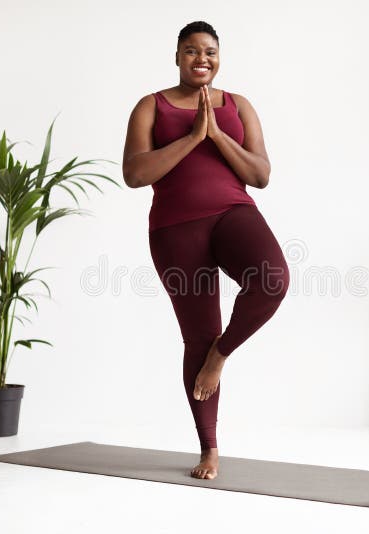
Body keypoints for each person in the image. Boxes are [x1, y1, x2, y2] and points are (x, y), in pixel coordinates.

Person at [122, 20, 290, 480]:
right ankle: (209, 449)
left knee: (272, 279)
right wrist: (192, 136)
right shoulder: (150, 106)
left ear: (219, 57)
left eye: (210, 51)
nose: (202, 59)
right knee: (198, 335)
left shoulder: (238, 106)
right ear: (177, 56)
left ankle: (220, 355)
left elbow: (260, 175)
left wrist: (216, 134)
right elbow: (135, 175)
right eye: (192, 51)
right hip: (176, 229)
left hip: (233, 212)